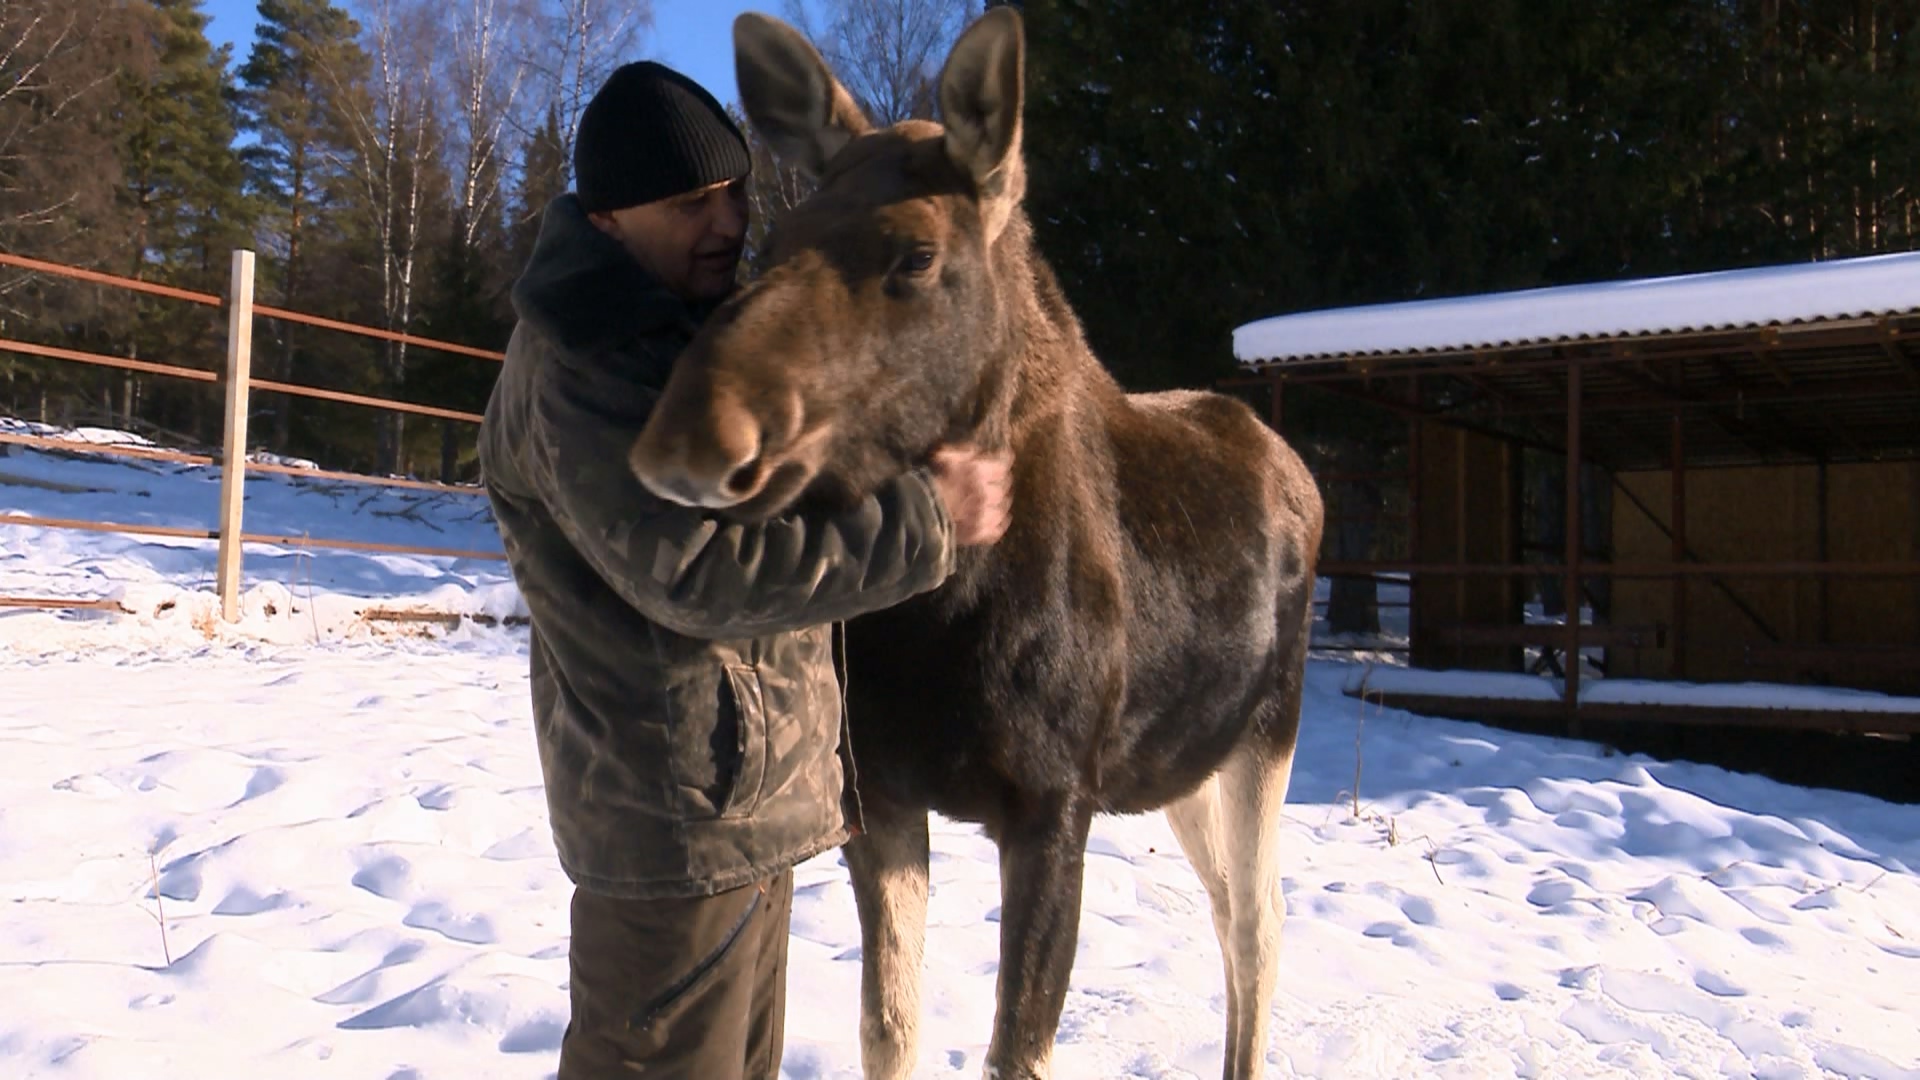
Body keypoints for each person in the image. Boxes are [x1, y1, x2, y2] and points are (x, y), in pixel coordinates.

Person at [477, 61, 1012, 1080]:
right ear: (606, 222)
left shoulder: (681, 333)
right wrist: (924, 524)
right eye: (688, 203)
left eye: (735, 192)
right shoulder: (586, 369)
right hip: (669, 821)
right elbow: (699, 579)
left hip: (736, 803)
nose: (726, 222)